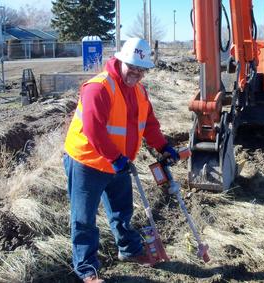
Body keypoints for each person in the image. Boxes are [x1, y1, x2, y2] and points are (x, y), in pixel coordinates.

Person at [63, 37, 179, 283]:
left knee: (122, 211)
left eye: (141, 69)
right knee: (84, 219)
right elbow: (94, 129)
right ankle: (87, 271)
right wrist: (116, 159)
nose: (136, 73)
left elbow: (148, 124)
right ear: (120, 60)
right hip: (88, 162)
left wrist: (164, 146)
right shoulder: (99, 87)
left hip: (118, 161)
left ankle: (129, 251)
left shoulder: (139, 90)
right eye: (132, 67)